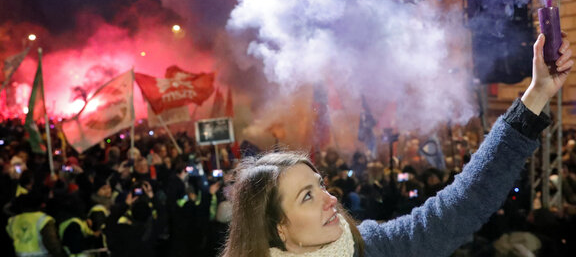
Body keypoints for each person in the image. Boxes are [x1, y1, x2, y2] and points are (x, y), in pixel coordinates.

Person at [221, 32, 573, 257]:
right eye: (307, 196)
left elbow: (461, 205)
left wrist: (537, 94)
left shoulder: (367, 246)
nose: (331, 199)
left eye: (320, 186)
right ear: (279, 228)